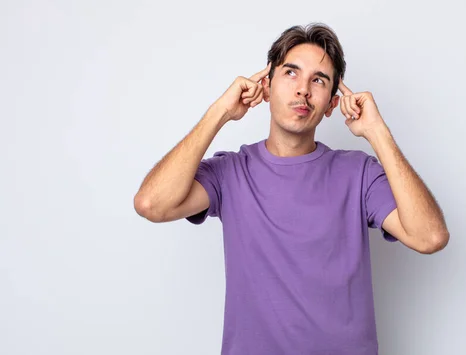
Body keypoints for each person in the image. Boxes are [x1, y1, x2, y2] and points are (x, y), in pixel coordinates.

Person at [134, 23, 449, 355]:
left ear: (331, 104)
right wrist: (221, 112)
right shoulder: (231, 172)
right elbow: (152, 203)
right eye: (291, 74)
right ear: (266, 87)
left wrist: (377, 133)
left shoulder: (358, 173)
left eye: (318, 80)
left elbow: (430, 237)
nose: (303, 90)